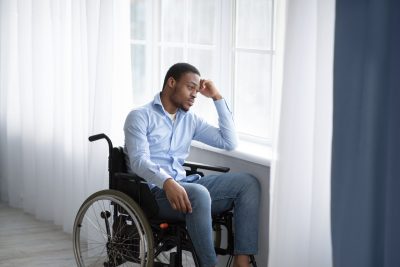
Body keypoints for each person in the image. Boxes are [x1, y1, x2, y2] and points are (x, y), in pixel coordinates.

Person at [124, 63, 260, 267]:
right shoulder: (140, 116)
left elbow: (229, 142)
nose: (195, 94)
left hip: (186, 187)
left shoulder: (190, 120)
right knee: (198, 193)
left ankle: (241, 260)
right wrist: (167, 182)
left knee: (247, 183)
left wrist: (216, 97)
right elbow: (139, 161)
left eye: (197, 90)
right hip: (155, 194)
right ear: (171, 82)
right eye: (190, 87)